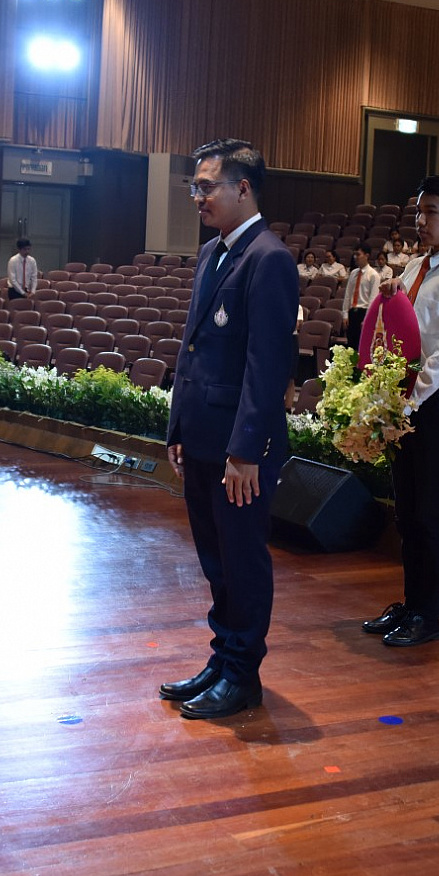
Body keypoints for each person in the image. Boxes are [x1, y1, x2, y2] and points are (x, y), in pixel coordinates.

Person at [160, 139, 298, 721]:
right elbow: (192, 349)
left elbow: (267, 367)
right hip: (203, 435)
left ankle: (242, 674)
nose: (198, 197)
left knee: (242, 560)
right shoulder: (213, 253)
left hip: (239, 449)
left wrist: (245, 451)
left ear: (243, 188)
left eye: (207, 186)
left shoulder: (269, 258)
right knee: (215, 559)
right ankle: (222, 659)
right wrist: (177, 426)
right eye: (194, 187)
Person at [362, 172, 439, 648]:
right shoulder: (416, 266)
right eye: (418, 210)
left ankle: (427, 615)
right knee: (407, 510)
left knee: (430, 511)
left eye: (430, 211)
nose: (420, 220)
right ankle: (410, 602)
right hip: (405, 400)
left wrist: (406, 405)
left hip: (434, 402)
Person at [340, 244, 381, 347]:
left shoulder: (373, 275)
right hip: (352, 312)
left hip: (363, 312)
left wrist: (367, 318)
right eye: (354, 254)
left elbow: (373, 299)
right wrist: (345, 314)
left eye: (358, 254)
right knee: (351, 346)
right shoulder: (353, 273)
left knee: (362, 345)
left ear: (366, 255)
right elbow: (348, 295)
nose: (355, 257)